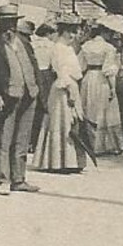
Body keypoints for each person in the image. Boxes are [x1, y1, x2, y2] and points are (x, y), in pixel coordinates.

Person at [0, 4, 41, 196]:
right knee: (4, 138)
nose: (10, 27)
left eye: (13, 23)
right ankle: (3, 179)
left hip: (29, 93)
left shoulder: (24, 42)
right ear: (0, 23)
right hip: (6, 96)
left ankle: (19, 178)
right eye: (6, 23)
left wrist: (37, 87)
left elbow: (33, 64)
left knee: (22, 138)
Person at [33, 14, 87, 173]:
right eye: (69, 32)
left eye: (74, 32)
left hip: (71, 85)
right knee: (63, 122)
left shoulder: (68, 48)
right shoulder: (58, 48)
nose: (72, 35)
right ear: (62, 32)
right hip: (64, 88)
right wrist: (70, 91)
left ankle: (71, 161)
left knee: (71, 123)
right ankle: (58, 162)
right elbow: (62, 71)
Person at [78, 18, 123, 155]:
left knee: (90, 110)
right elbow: (109, 70)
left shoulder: (86, 46)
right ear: (106, 33)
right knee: (106, 111)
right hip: (102, 80)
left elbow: (80, 66)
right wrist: (113, 88)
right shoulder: (109, 48)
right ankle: (108, 145)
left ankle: (92, 144)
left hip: (88, 78)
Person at [27, 18, 57, 147]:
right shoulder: (52, 46)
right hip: (46, 76)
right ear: (48, 34)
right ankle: (39, 141)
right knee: (45, 107)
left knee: (32, 106)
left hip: (32, 74)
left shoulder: (31, 44)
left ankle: (29, 140)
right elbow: (54, 65)